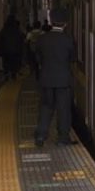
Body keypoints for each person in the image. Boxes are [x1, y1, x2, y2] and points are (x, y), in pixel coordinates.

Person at [35, 13, 76, 147]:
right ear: (65, 24)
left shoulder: (42, 39)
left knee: (46, 107)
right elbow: (72, 59)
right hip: (63, 80)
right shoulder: (68, 40)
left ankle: (41, 136)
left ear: (51, 22)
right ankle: (63, 138)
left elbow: (38, 58)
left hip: (46, 79)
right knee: (63, 109)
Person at [0, 14, 26, 79]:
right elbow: (22, 38)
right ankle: (13, 74)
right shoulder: (17, 29)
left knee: (6, 62)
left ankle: (6, 74)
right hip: (15, 50)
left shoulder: (5, 29)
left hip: (6, 51)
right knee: (14, 62)